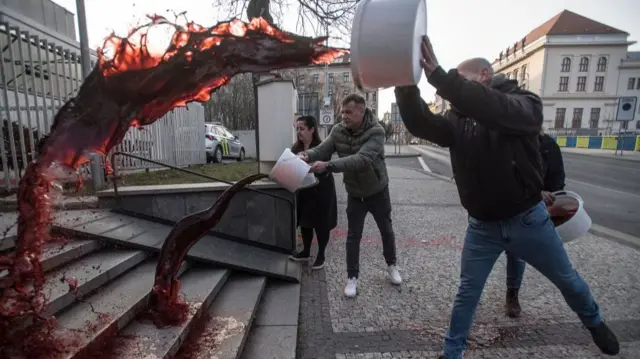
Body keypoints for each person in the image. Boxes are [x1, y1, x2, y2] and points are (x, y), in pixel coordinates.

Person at [394, 36, 619, 359]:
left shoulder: (523, 104)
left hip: (528, 220)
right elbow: (421, 124)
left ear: (485, 76)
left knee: (568, 280)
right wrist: (405, 86)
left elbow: (494, 109)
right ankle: (451, 352)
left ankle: (594, 321)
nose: (456, 91)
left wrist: (443, 78)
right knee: (467, 295)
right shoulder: (457, 120)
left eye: (463, 81)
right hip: (482, 227)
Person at [298, 94, 402, 298]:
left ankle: (392, 265)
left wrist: (328, 166)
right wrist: (307, 155)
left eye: (349, 112)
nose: (344, 116)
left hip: (378, 191)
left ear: (362, 111)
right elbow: (322, 149)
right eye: (342, 112)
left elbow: (362, 160)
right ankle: (352, 278)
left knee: (386, 231)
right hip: (355, 193)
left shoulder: (377, 132)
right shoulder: (338, 130)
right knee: (353, 236)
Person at [504, 130, 566, 318]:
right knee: (479, 259)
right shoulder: (505, 140)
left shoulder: (547, 145)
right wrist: (535, 192)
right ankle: (471, 299)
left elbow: (557, 181)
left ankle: (512, 295)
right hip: (496, 207)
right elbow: (500, 177)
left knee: (517, 254)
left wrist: (549, 194)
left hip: (526, 211)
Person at [288, 115, 338, 269]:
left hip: (322, 190)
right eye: (297, 129)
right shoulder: (295, 148)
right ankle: (306, 251)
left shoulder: (322, 147)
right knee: (305, 221)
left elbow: (327, 166)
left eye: (302, 129)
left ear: (312, 129)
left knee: (322, 223)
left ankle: (321, 255)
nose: (299, 132)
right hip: (304, 191)